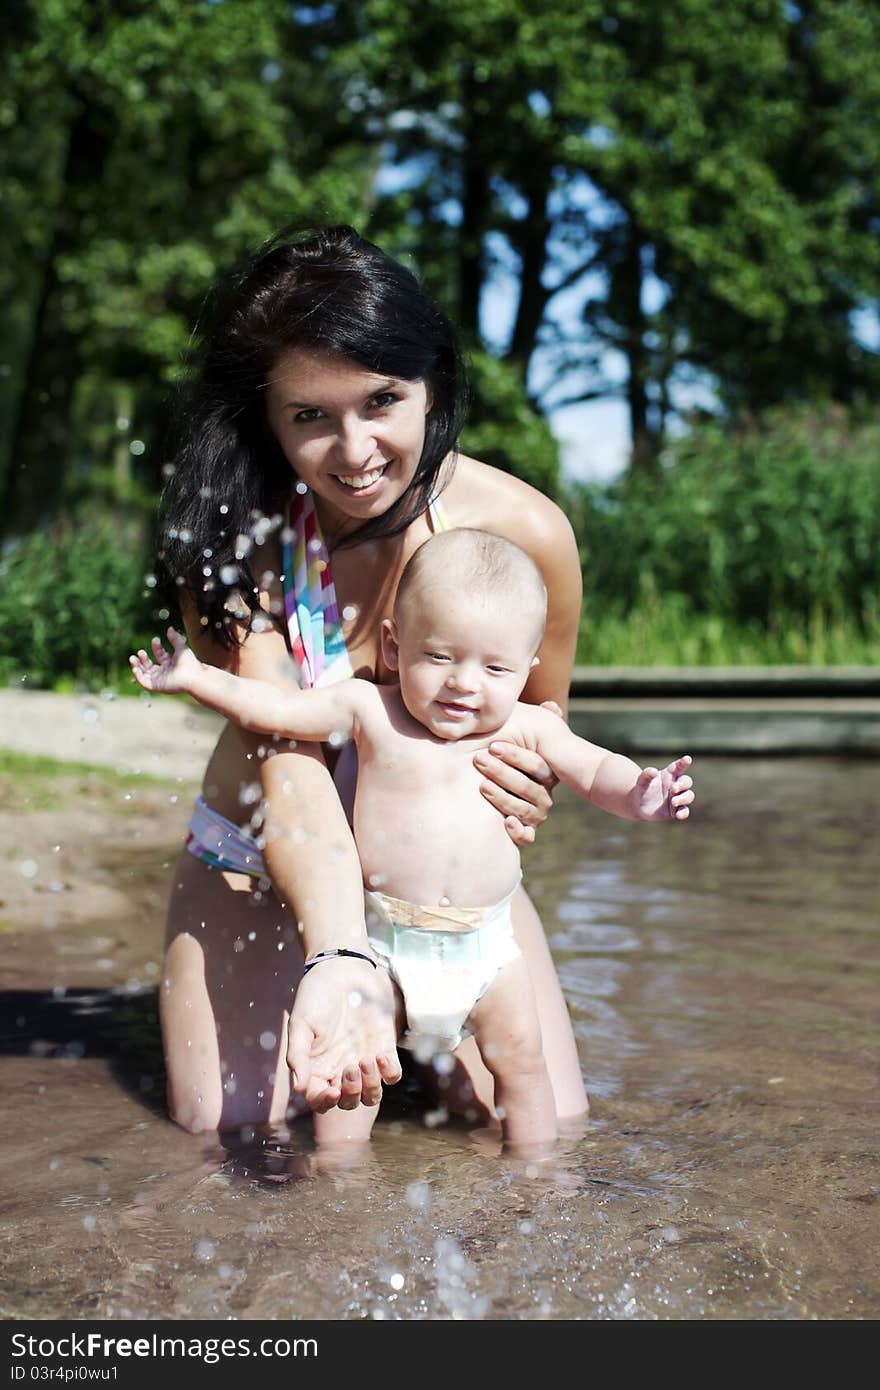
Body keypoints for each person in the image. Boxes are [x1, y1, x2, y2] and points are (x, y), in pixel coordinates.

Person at [154, 223, 591, 1147]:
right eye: (309, 415)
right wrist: (344, 954)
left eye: (383, 399)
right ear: (264, 419)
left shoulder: (528, 535)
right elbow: (293, 773)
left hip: (442, 897)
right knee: (233, 1138)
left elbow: (543, 718)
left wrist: (534, 780)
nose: (355, 450)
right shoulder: (239, 540)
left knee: (537, 1124)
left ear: (432, 381)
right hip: (265, 864)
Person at [132, 528, 695, 1148]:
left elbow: (595, 770)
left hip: (488, 950)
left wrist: (643, 794)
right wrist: (195, 678)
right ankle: (337, 1182)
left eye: (495, 667)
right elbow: (272, 711)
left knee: (526, 1074)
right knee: (353, 1074)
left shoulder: (531, 726)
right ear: (396, 648)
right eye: (440, 656)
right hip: (385, 945)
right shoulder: (369, 709)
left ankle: (540, 1183)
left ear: (526, 670)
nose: (464, 683)